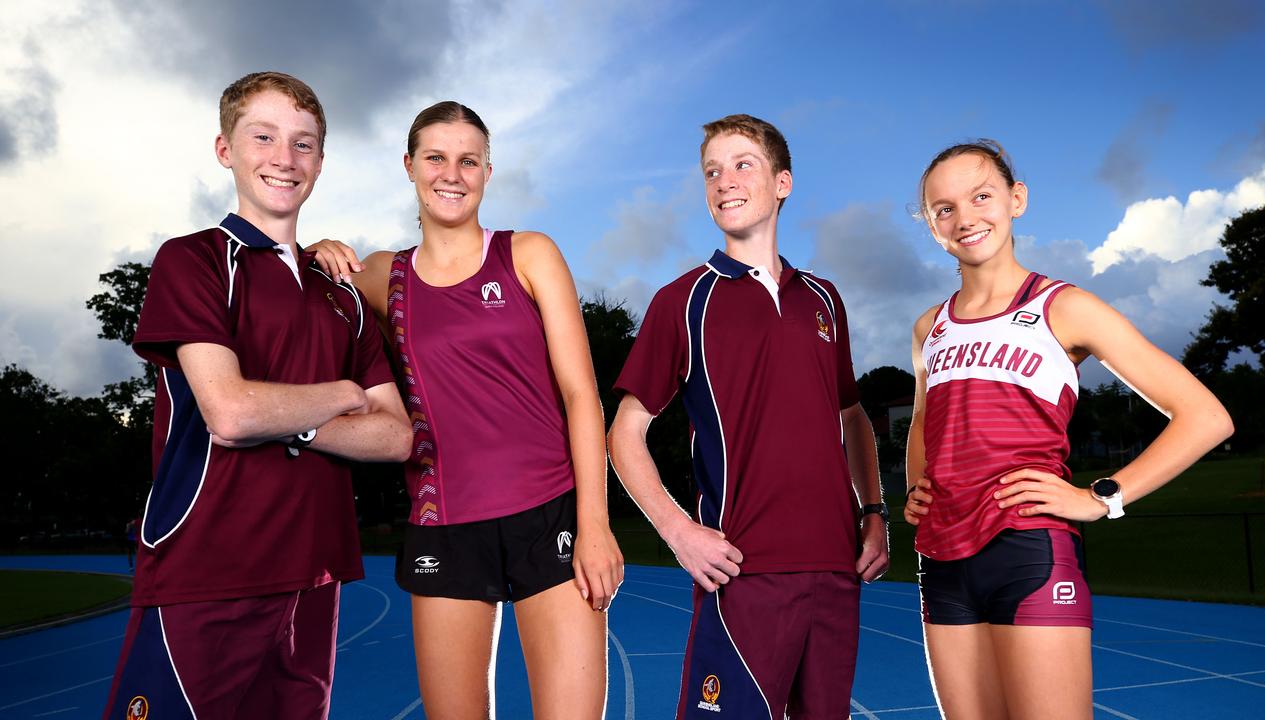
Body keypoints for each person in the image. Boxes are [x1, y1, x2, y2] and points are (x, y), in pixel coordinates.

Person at [101, 71, 412, 720]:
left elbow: (395, 435)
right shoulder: (195, 261)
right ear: (226, 150)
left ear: (321, 161)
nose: (284, 157)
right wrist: (342, 392)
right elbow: (231, 413)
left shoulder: (342, 294)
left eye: (303, 143)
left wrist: (290, 419)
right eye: (263, 136)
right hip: (210, 568)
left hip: (317, 571)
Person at [308, 101, 623, 720]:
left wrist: (596, 523)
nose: (451, 173)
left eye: (468, 160)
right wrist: (320, 252)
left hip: (549, 513)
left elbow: (582, 395)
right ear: (409, 166)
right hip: (444, 523)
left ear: (486, 172)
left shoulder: (528, 254)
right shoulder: (380, 277)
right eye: (436, 158)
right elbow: (304, 295)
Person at [903, 140, 1234, 719]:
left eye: (981, 196)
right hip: (943, 557)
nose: (965, 217)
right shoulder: (931, 325)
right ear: (932, 226)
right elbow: (924, 422)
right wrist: (915, 488)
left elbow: (1206, 417)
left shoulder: (1065, 307)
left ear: (1016, 198)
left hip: (1028, 549)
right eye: (944, 208)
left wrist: (1101, 498)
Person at [607, 114, 889, 720]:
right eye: (711, 170)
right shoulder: (682, 301)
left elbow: (853, 415)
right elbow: (625, 431)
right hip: (743, 572)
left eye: (742, 165)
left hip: (836, 569)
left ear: (782, 183)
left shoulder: (824, 299)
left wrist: (873, 513)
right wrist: (677, 531)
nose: (723, 181)